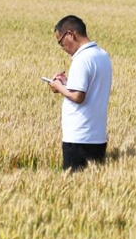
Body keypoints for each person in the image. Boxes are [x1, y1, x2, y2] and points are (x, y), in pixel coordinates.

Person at [47, 15, 112, 171]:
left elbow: (78, 96)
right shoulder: (102, 55)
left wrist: (58, 86)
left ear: (71, 34)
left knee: (71, 188)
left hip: (79, 137)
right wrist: (67, 83)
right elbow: (90, 88)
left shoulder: (81, 59)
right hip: (98, 137)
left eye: (61, 42)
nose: (63, 48)